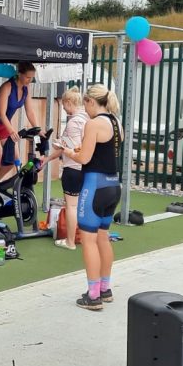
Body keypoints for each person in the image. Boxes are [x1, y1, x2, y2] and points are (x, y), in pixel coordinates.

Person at [63, 84, 122, 311]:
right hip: (112, 185)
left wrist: (68, 152)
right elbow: (102, 151)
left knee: (88, 240)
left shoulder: (93, 123)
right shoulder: (116, 123)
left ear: (89, 101)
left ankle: (93, 295)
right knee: (103, 238)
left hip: (94, 186)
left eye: (84, 103)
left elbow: (84, 159)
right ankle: (105, 288)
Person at [0, 61, 41, 210]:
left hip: (3, 125)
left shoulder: (26, 89)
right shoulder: (7, 87)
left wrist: (38, 129)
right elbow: (1, 113)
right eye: (28, 77)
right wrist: (12, 130)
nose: (29, 81)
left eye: (32, 78)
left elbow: (30, 111)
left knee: (14, 158)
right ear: (19, 74)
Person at [44, 87, 89, 250]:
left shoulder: (73, 122)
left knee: (71, 206)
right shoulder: (87, 119)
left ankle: (70, 241)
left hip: (73, 167)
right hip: (85, 168)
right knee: (82, 206)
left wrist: (59, 145)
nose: (63, 109)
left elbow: (72, 147)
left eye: (64, 105)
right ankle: (83, 237)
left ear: (69, 103)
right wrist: (49, 158)